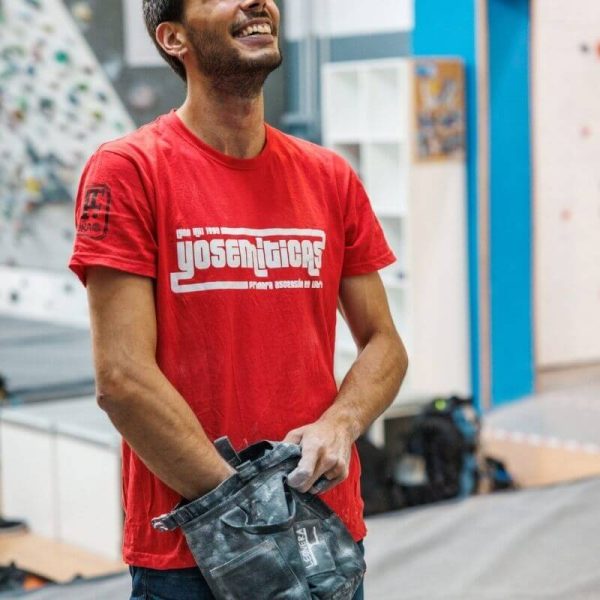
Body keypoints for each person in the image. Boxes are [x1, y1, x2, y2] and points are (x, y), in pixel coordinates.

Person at [68, 0, 409, 598]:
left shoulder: (329, 176)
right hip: (193, 557)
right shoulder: (128, 170)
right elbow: (122, 379)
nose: (258, 2)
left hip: (320, 537)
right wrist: (250, 517)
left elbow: (384, 343)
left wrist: (341, 422)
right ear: (173, 37)